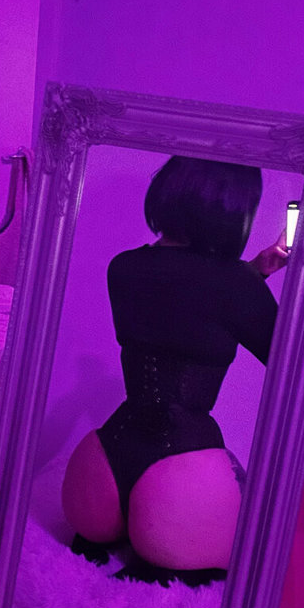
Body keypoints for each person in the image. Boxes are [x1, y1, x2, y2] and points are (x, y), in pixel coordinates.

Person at [62, 157, 288, 586]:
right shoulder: (236, 287)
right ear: (232, 209)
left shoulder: (123, 267)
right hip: (180, 471)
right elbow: (291, 360)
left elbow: (183, 300)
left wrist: (253, 273)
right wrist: (255, 282)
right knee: (253, 538)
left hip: (99, 468)